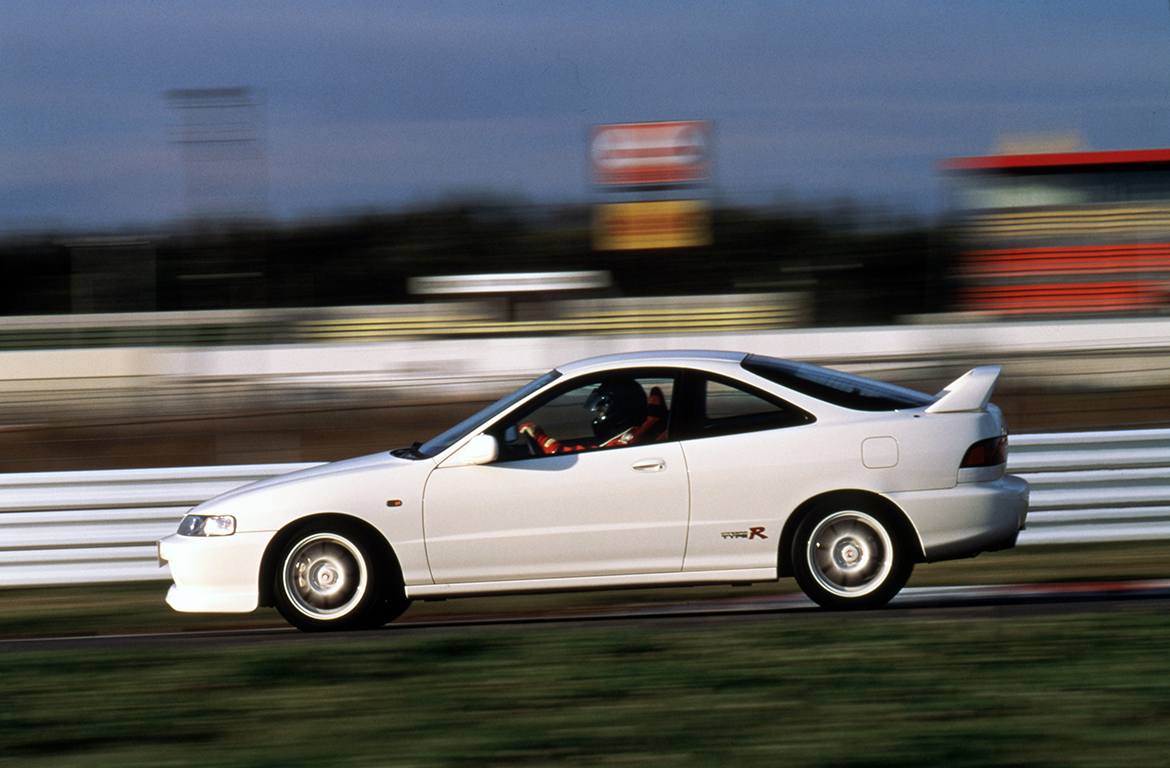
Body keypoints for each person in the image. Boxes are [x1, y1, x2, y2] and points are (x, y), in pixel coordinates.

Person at [520, 379, 666, 454]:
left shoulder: (628, 441)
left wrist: (539, 436)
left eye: (602, 409)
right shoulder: (634, 432)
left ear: (619, 408)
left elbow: (584, 457)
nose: (599, 414)